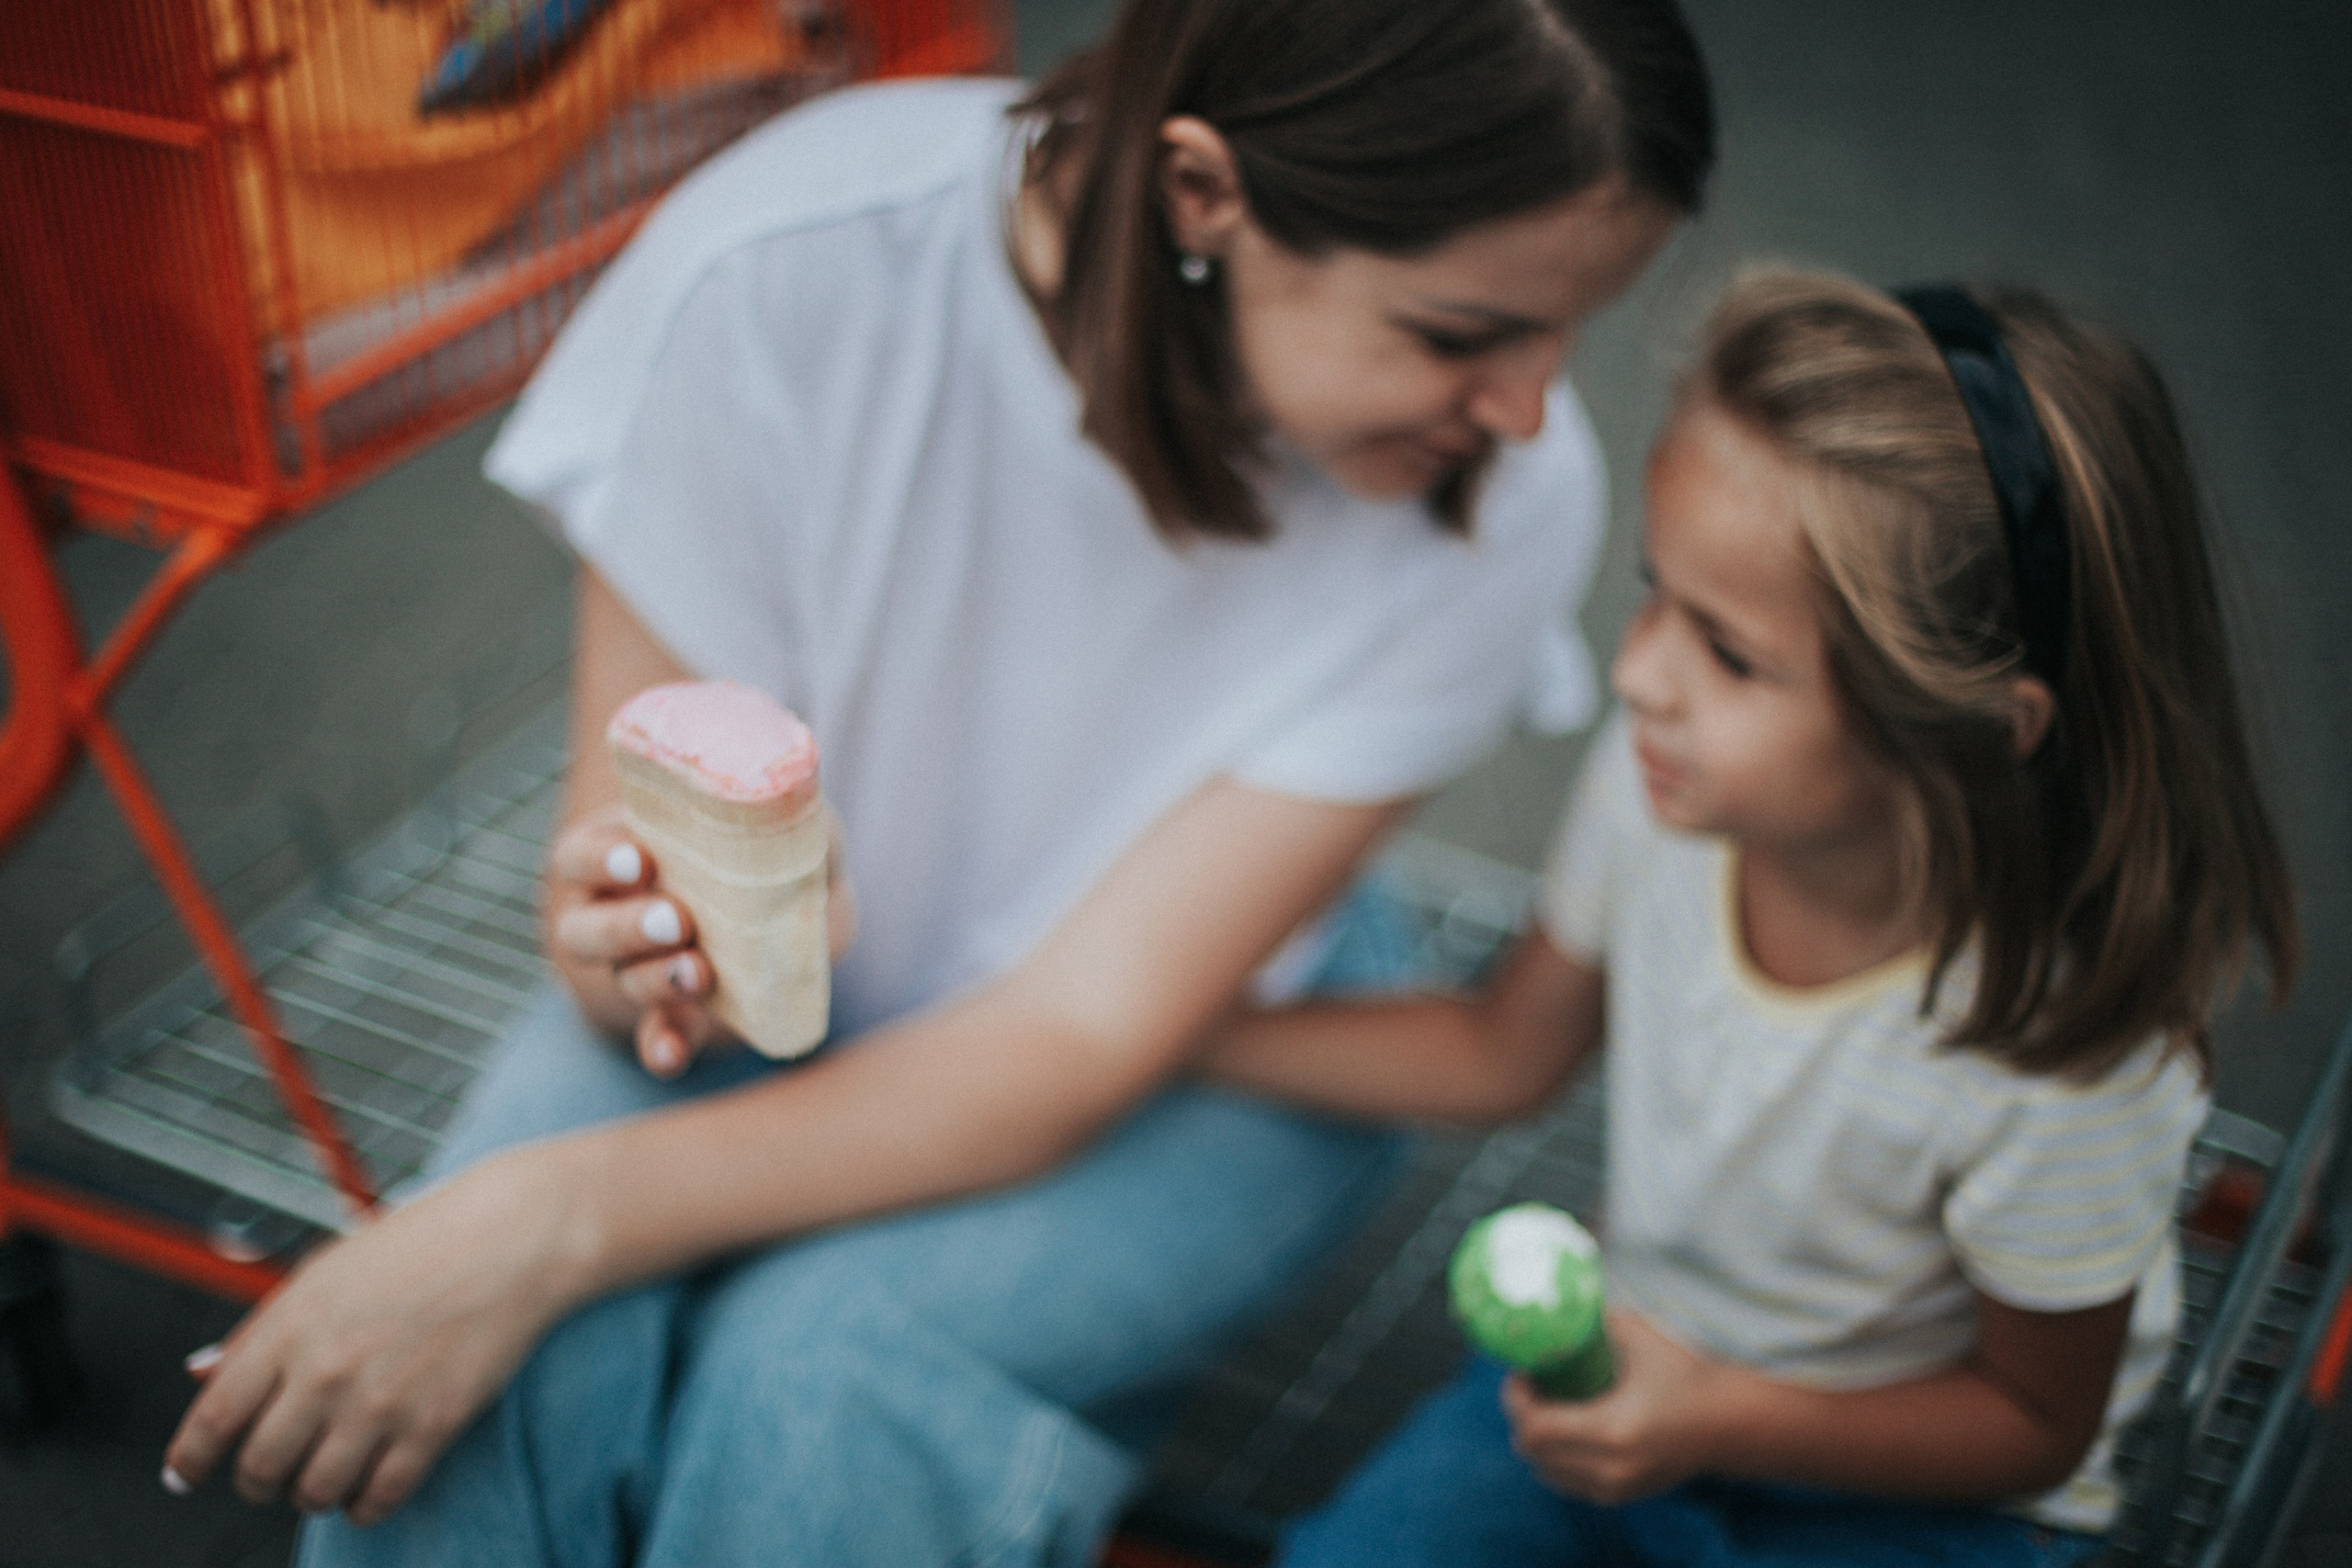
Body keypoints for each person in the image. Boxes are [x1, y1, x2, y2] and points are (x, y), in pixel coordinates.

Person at [159, 3, 1715, 1563]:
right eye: (1461, 333)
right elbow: (627, 914)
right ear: (1200, 193)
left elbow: (1079, 1038)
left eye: (1561, 333)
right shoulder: (779, 271)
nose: (1527, 410)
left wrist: (545, 1218)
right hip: (806, 998)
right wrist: (620, 946)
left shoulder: (1507, 501)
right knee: (473, 1399)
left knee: (826, 1387)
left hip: (1209, 1053)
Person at [1202, 267, 2301, 1567]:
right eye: (1657, 591)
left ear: (1970, 736)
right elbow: (1507, 1047)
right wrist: (1170, 1031)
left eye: (1729, 652)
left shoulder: (2066, 1048)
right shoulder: (1662, 792)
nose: (1637, 671)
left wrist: (1717, 1416)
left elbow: (2031, 1426)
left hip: (1922, 1504)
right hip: (1634, 1373)